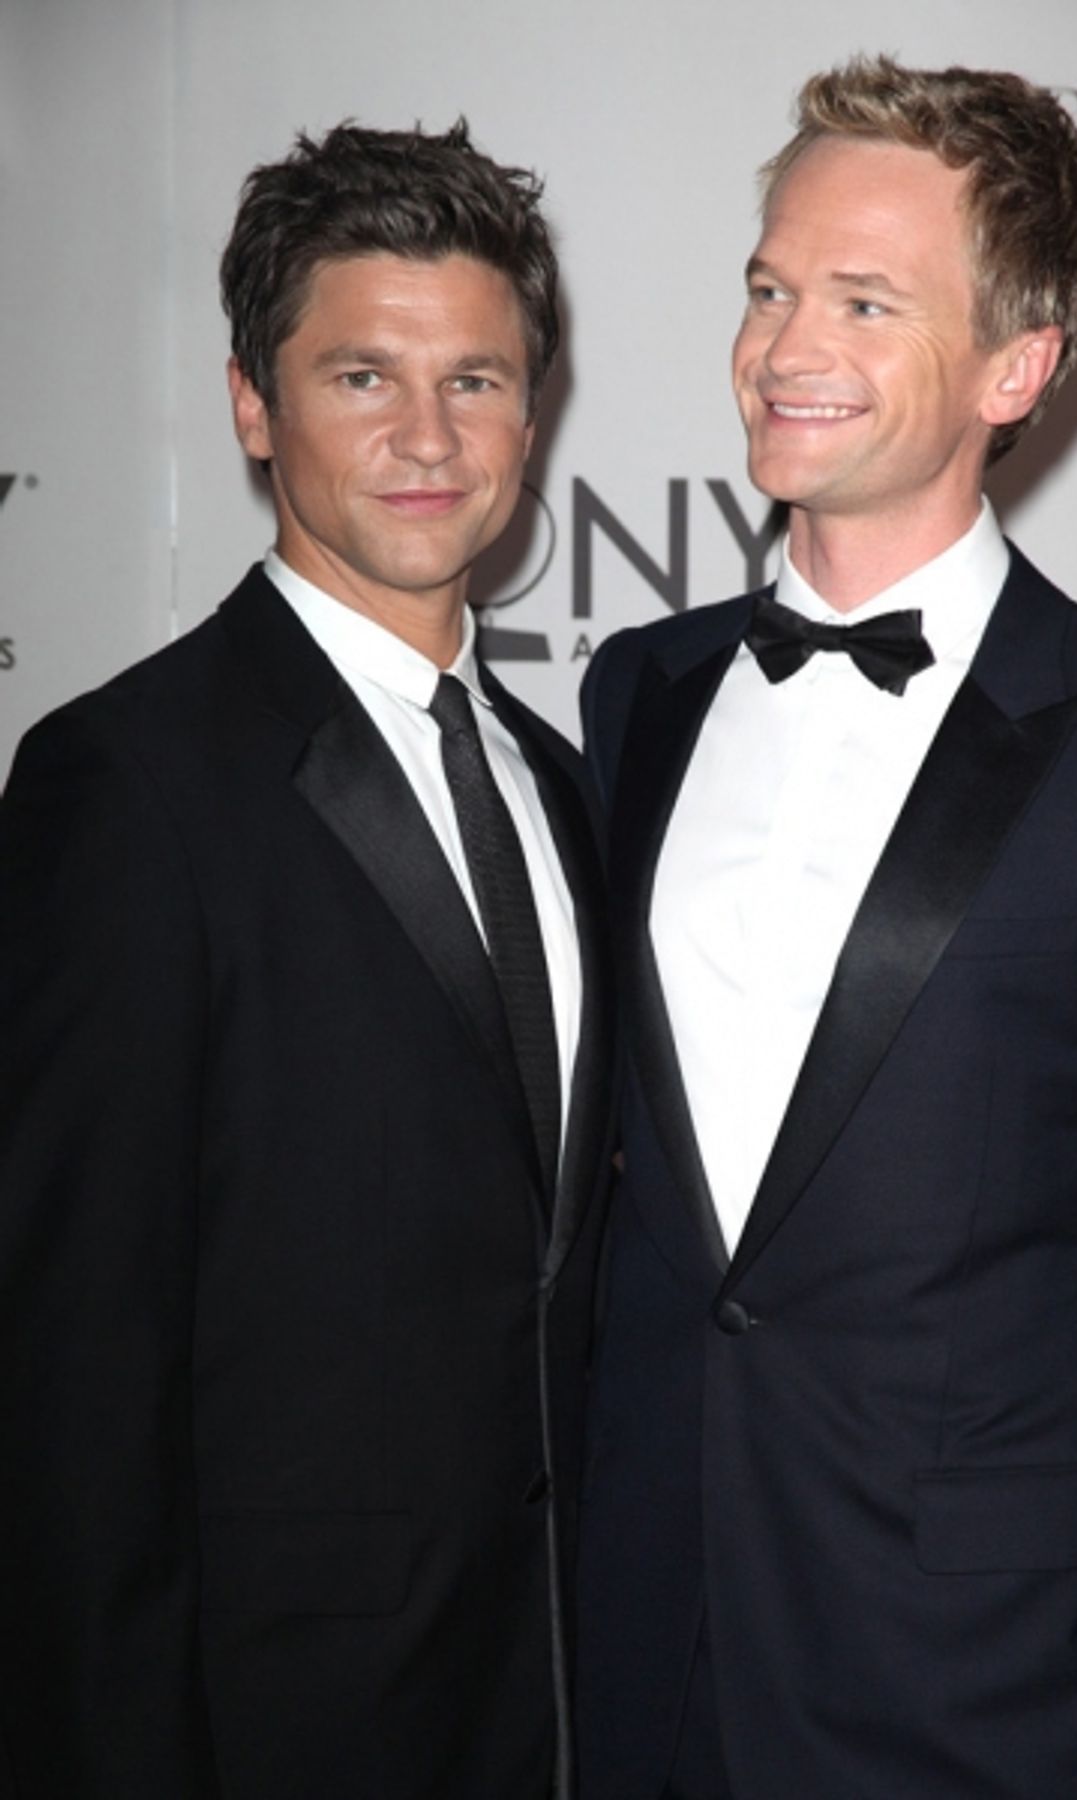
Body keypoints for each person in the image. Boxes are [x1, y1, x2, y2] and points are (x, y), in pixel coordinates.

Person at [575, 54, 1077, 1800]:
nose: (785, 346)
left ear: (1018, 366)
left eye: (863, 300)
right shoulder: (638, 694)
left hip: (992, 1692)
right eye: (771, 286)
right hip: (644, 1649)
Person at [0, 121, 613, 1800]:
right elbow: (70, 1391)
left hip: (560, 1712)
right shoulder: (126, 783)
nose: (428, 438)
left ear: (532, 414)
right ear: (252, 406)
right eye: (361, 377)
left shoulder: (563, 787)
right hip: (282, 1732)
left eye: (475, 380)